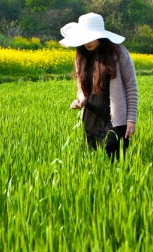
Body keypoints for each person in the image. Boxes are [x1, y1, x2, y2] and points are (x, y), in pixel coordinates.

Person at [59, 12, 138, 160]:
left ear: (101, 35)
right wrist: (81, 100)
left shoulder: (119, 53)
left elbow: (131, 87)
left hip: (115, 121)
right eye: (84, 38)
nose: (86, 43)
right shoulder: (81, 56)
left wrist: (131, 120)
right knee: (94, 166)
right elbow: (81, 86)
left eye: (90, 37)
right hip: (91, 119)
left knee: (116, 165)